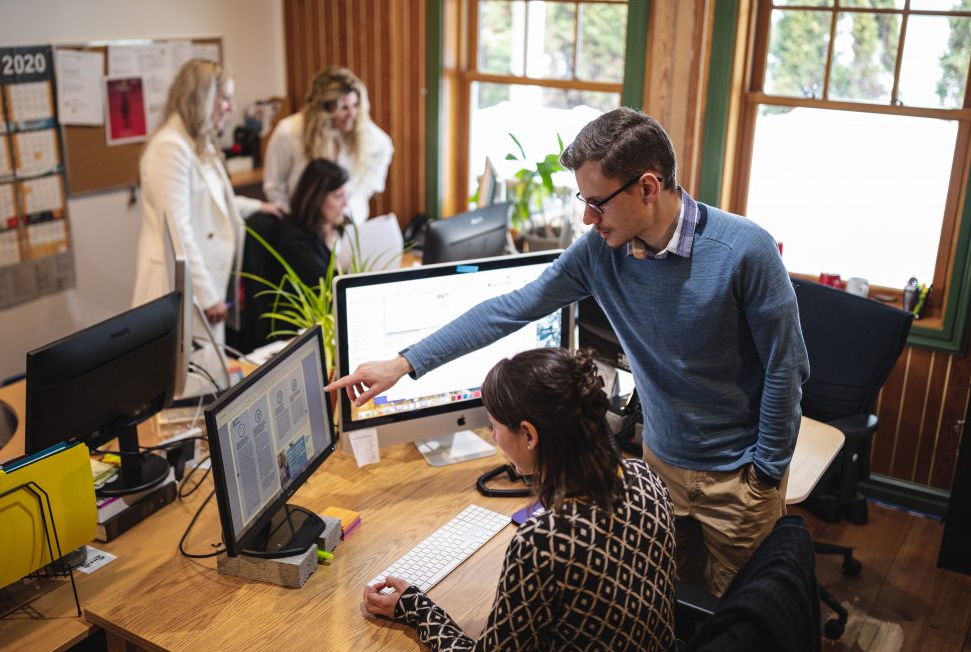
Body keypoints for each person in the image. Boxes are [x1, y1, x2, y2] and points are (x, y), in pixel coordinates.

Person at [329, 107, 810, 597]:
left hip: (738, 479)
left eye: (597, 202)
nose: (586, 217)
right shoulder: (601, 252)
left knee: (737, 627)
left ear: (647, 187)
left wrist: (765, 475)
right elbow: (511, 308)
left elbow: (785, 369)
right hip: (660, 469)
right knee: (673, 608)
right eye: (583, 199)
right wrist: (405, 362)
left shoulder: (745, 251)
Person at [363, 348, 678, 652]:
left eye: (495, 426)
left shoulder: (544, 540)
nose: (492, 437)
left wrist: (416, 608)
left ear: (528, 435)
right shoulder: (646, 478)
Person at [132, 58, 281, 351]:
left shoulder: (197, 142)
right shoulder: (170, 148)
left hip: (201, 284)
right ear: (201, 97)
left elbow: (213, 203)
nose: (231, 106)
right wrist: (209, 295)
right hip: (180, 288)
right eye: (224, 97)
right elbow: (178, 231)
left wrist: (258, 208)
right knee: (187, 386)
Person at [263, 66, 393, 226]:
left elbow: (385, 148)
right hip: (305, 226)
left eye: (356, 105)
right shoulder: (289, 131)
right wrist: (293, 219)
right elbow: (274, 187)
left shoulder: (359, 129)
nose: (352, 114)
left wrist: (363, 191)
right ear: (322, 109)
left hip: (349, 225)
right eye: (344, 108)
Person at [241, 159, 348, 351]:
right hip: (299, 336)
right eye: (338, 196)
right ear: (317, 198)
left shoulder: (335, 230)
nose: (345, 204)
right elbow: (328, 287)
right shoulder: (295, 241)